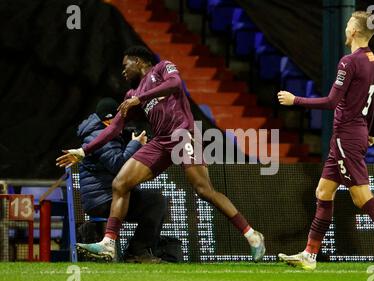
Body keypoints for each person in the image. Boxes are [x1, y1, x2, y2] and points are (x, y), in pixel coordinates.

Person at [57, 46, 265, 262]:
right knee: (121, 183)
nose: (123, 71)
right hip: (161, 142)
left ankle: (252, 235)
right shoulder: (131, 95)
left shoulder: (162, 68)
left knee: (203, 189)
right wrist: (83, 150)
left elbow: (175, 84)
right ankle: (109, 243)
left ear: (138, 61)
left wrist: (142, 98)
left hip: (183, 135)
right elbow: (114, 128)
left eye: (125, 65)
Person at [277, 11, 374, 271]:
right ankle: (309, 254)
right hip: (356, 134)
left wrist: (294, 100)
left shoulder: (349, 62)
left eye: (349, 24)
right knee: (323, 192)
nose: (345, 28)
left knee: (362, 197)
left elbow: (331, 102)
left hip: (346, 137)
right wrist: (372, 130)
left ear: (353, 31)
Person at [76, 97, 167, 263]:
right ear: (109, 119)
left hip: (105, 196)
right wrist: (135, 144)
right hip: (103, 200)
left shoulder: (102, 134)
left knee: (153, 200)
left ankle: (138, 250)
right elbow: (119, 166)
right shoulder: (99, 135)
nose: (122, 123)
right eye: (119, 118)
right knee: (156, 201)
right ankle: (137, 251)